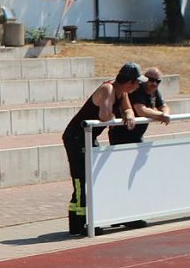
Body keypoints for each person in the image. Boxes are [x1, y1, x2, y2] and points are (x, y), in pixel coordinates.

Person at [61, 62, 144, 236]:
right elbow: (104, 115)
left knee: (96, 177)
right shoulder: (108, 89)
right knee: (81, 180)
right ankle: (79, 224)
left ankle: (93, 219)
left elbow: (128, 109)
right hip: (76, 138)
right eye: (137, 82)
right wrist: (118, 116)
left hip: (90, 137)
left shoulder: (122, 93)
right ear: (129, 82)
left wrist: (128, 115)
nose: (138, 86)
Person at [108, 67, 170, 145]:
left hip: (137, 134)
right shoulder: (138, 89)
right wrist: (161, 115)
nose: (154, 83)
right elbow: (141, 110)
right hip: (122, 133)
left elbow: (163, 106)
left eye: (158, 81)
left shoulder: (154, 90)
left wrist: (166, 114)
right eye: (151, 80)